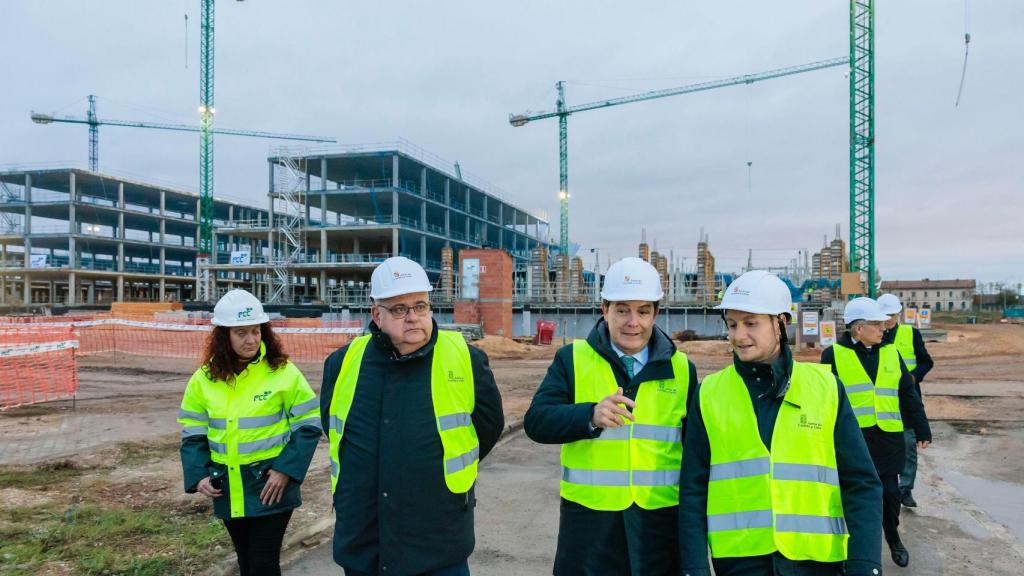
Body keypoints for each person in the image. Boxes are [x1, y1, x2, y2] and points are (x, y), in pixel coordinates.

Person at [679, 271, 882, 576]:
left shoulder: (825, 388)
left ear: (781, 323)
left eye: (751, 323)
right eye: (732, 325)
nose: (739, 336)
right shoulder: (709, 392)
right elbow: (693, 488)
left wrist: (865, 563)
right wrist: (693, 566)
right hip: (740, 561)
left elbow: (861, 483)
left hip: (816, 561)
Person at [320, 256, 504, 576]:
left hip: (438, 537)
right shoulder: (342, 364)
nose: (413, 317)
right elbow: (335, 429)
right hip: (366, 541)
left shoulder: (466, 359)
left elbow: (488, 428)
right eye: (400, 309)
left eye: (420, 306)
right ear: (376, 314)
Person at [524, 257, 698, 576]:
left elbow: (695, 454)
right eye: (622, 310)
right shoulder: (572, 360)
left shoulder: (682, 370)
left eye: (643, 310)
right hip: (590, 527)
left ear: (656, 313)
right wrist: (588, 415)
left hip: (657, 526)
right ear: (604, 310)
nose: (633, 321)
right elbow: (536, 421)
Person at [178, 289, 321, 576]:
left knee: (263, 564)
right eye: (241, 332)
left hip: (271, 485)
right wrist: (198, 474)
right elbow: (192, 432)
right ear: (224, 336)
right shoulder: (203, 380)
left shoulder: (283, 372)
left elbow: (308, 424)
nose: (251, 340)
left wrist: (285, 471)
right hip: (228, 486)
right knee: (246, 562)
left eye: (256, 331)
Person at [821, 297, 932, 568]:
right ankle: (848, 549)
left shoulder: (891, 352)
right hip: (852, 442)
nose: (884, 328)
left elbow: (908, 394)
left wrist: (922, 428)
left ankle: (893, 538)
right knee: (849, 497)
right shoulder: (832, 355)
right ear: (859, 329)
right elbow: (822, 400)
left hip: (887, 439)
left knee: (889, 495)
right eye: (877, 324)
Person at [877, 293, 934, 508]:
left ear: (898, 314)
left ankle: (906, 489)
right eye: (885, 315)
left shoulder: (911, 334)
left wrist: (914, 376)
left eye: (892, 315)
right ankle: (885, 486)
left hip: (907, 397)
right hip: (882, 399)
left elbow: (926, 362)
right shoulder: (875, 336)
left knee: (909, 444)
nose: (888, 319)